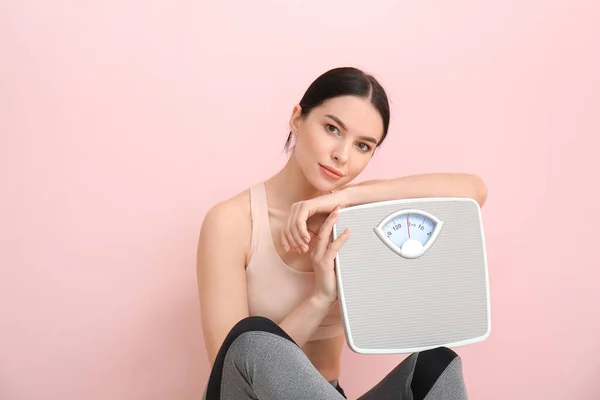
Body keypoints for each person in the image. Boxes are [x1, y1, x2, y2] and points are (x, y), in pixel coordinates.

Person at [196, 66, 488, 399]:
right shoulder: (231, 222)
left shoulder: (357, 213)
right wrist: (320, 298)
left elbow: (473, 191)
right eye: (332, 128)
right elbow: (231, 365)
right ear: (296, 118)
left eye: (363, 146)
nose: (342, 155)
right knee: (252, 340)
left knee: (437, 365)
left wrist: (346, 197)